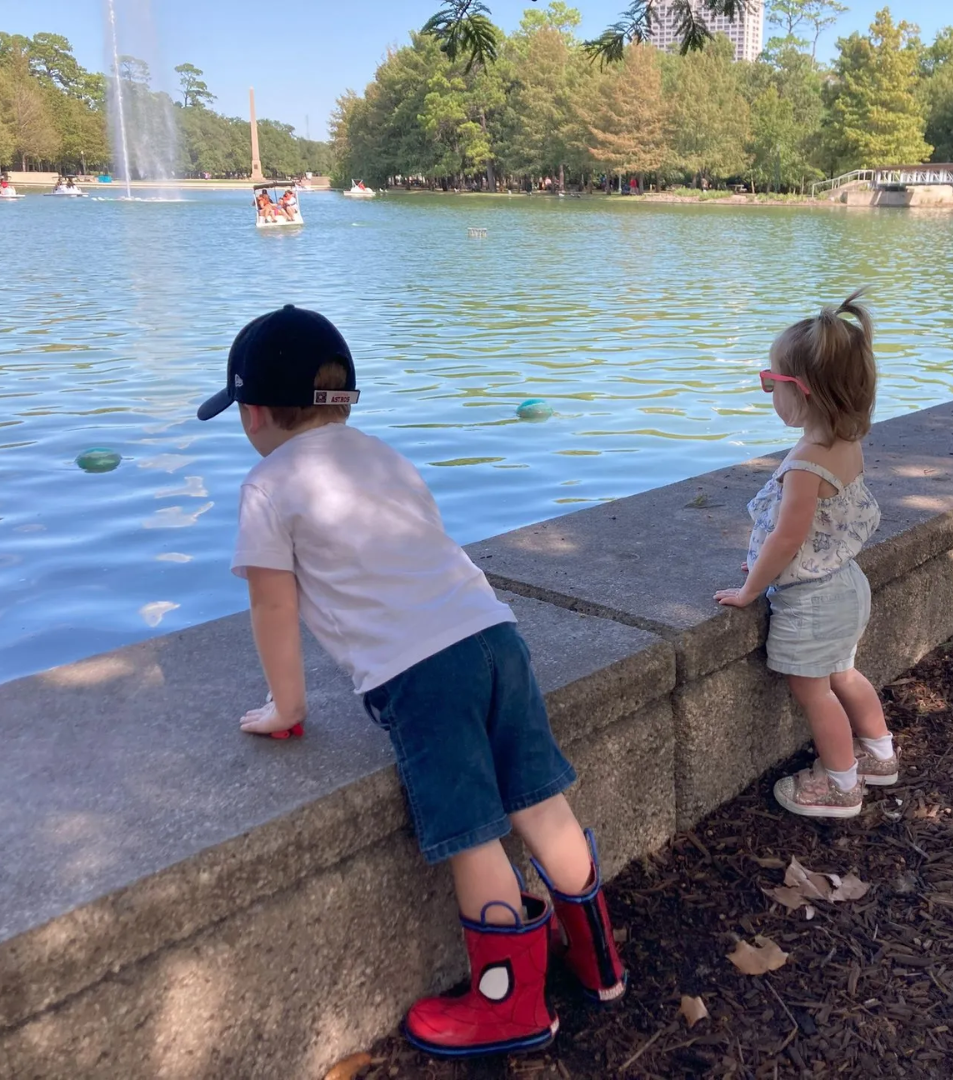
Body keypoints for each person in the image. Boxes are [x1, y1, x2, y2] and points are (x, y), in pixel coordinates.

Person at [196, 306, 626, 1057]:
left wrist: (287, 706)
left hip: (421, 672)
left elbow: (273, 604)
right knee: (539, 801)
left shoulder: (267, 483)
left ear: (252, 412)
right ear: (344, 401)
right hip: (495, 637)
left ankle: (510, 1006)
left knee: (472, 833)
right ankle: (600, 963)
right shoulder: (384, 457)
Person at [714, 291, 897, 819]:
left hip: (814, 602)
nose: (768, 392)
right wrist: (769, 566)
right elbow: (821, 530)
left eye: (771, 382)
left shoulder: (804, 465)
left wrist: (751, 589)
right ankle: (881, 755)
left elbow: (787, 538)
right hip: (845, 582)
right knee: (845, 673)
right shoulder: (847, 442)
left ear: (802, 391)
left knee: (815, 692)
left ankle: (841, 784)